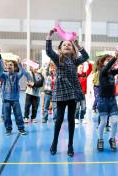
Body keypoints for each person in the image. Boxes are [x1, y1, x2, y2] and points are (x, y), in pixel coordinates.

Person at [46, 29, 89, 157]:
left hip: (72, 92)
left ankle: (70, 144)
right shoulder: (58, 59)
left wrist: (78, 45)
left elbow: (86, 56)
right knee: (59, 119)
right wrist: (49, 36)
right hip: (60, 92)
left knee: (71, 119)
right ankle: (54, 142)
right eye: (64, 44)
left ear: (72, 49)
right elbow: (48, 51)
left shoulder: (75, 61)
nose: (66, 45)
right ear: (60, 49)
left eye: (69, 45)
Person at [0, 59, 29, 136]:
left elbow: (23, 72)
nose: (9, 66)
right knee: (6, 116)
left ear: (14, 67)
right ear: (6, 67)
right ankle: (8, 129)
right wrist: (1, 62)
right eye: (8, 65)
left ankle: (21, 128)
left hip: (15, 100)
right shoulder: (4, 75)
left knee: (18, 115)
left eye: (11, 65)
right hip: (6, 100)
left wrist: (20, 64)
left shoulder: (17, 75)